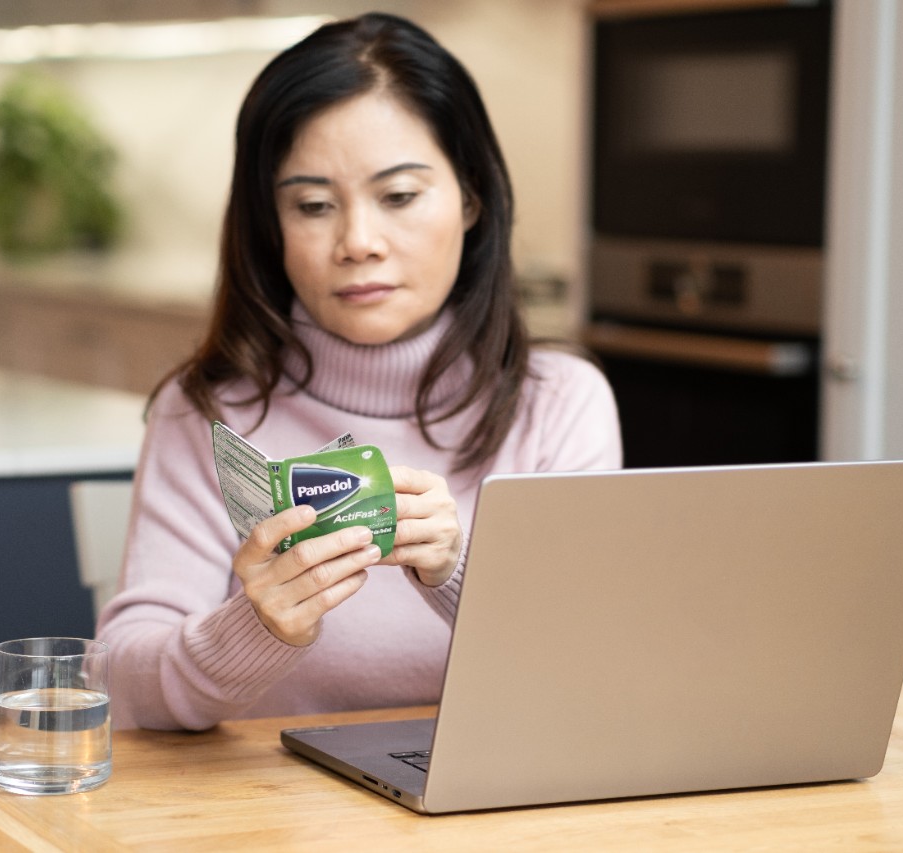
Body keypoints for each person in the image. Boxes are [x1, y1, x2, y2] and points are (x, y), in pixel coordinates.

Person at [96, 12, 621, 731]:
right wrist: (256, 627)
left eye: (399, 196)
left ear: (471, 199)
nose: (358, 242)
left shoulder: (560, 404)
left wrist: (459, 569)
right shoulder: (211, 413)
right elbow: (122, 685)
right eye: (313, 206)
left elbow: (593, 674)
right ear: (269, 227)